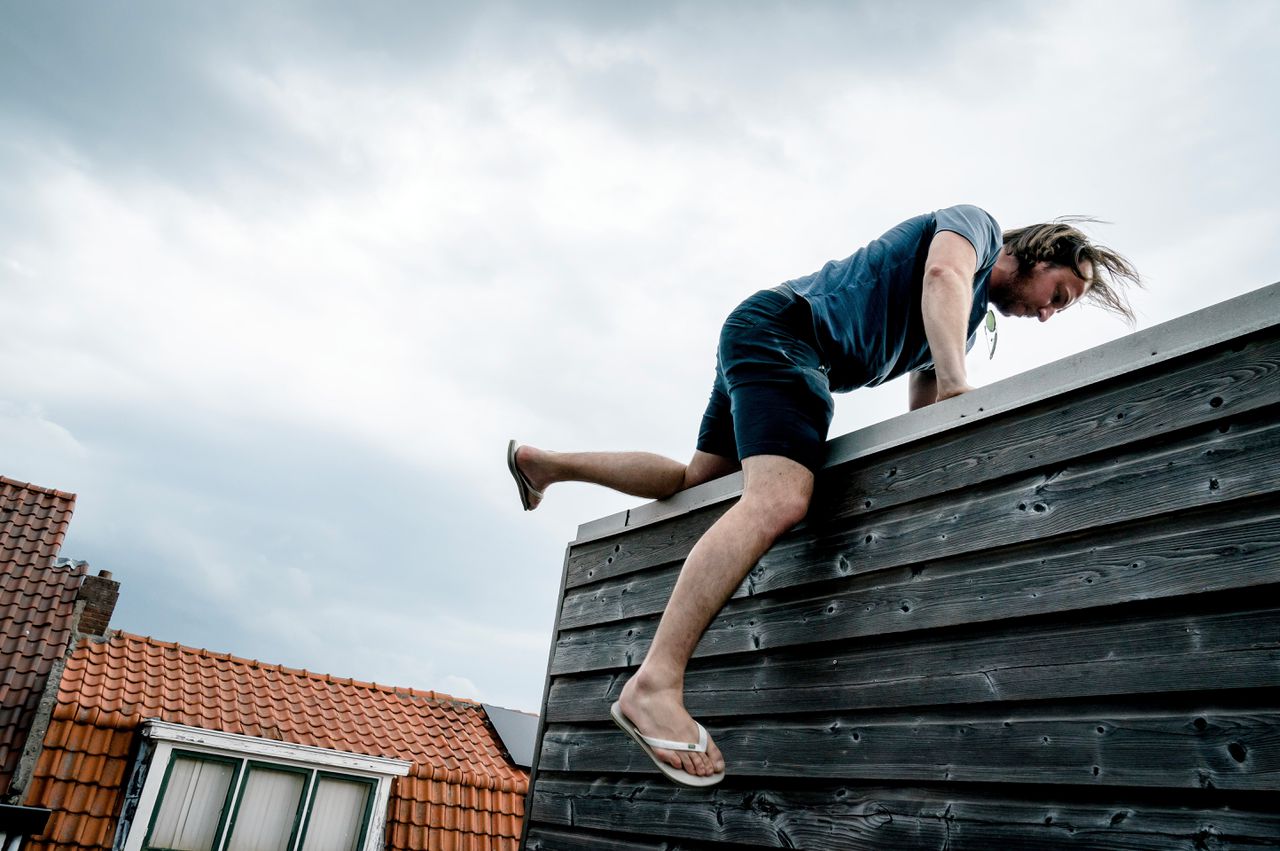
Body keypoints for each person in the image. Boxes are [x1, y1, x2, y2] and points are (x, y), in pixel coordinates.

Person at [507, 205, 1141, 786]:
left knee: (698, 482)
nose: (1050, 312)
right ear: (1034, 254)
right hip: (792, 339)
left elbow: (926, 409)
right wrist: (957, 383)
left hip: (766, 332)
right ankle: (654, 684)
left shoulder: (965, 321)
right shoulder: (975, 228)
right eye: (1058, 294)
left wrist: (945, 418)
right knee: (780, 498)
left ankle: (546, 464)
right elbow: (943, 275)